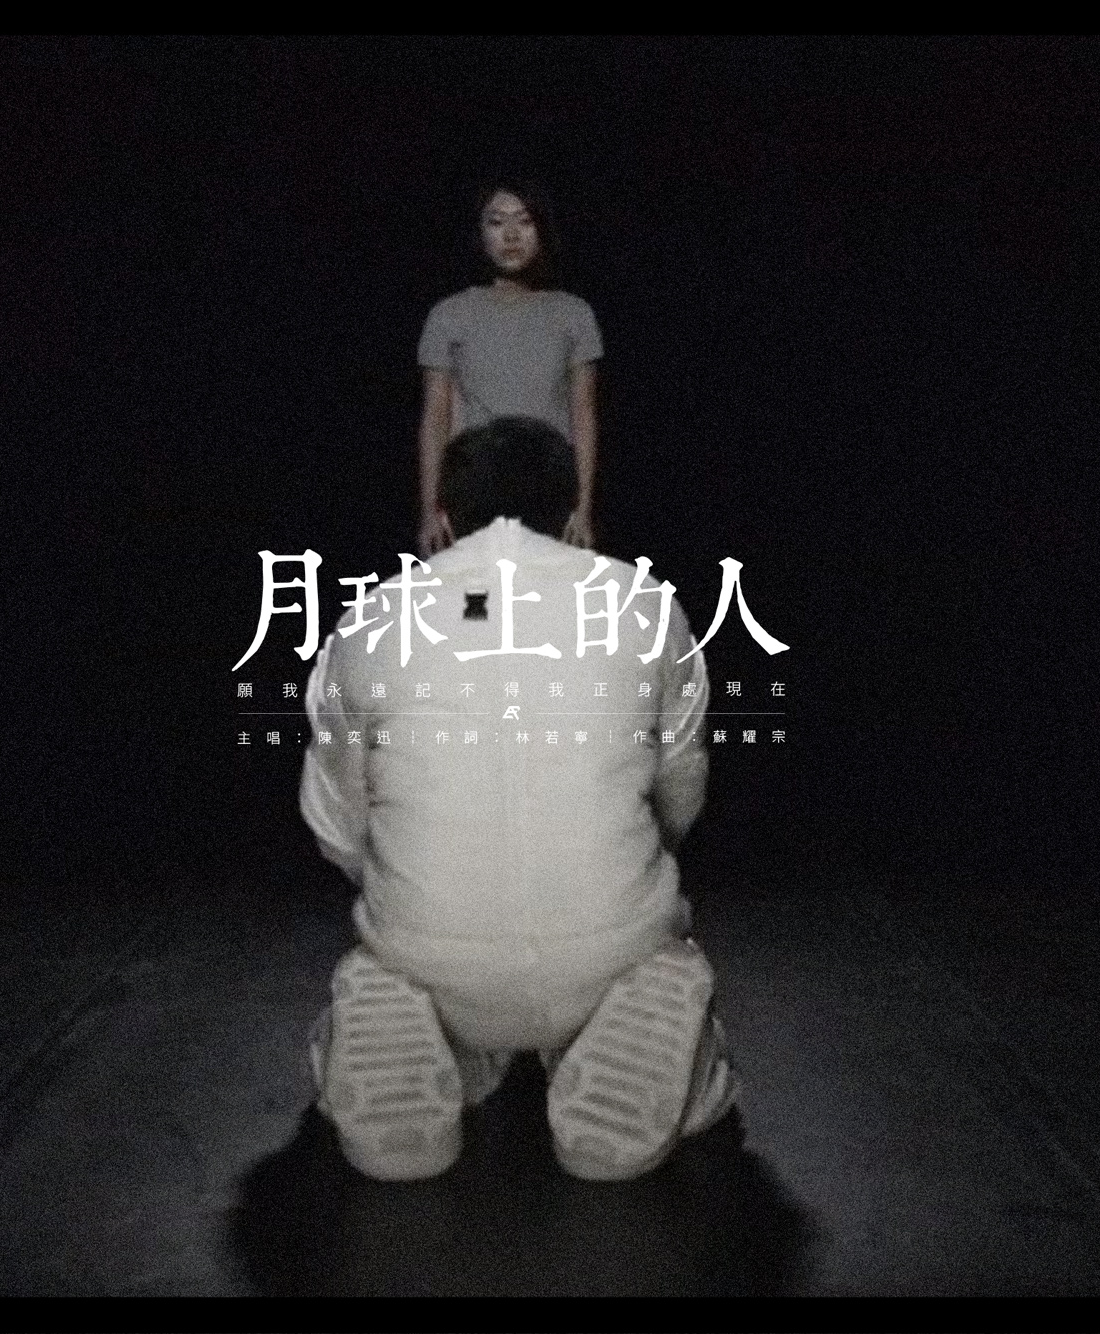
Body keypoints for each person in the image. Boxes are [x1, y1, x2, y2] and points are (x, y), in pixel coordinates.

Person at [301, 416, 737, 1182]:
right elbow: (681, 788)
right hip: (611, 946)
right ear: (571, 516)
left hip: (425, 949)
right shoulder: (643, 604)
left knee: (413, 957)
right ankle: (638, 1038)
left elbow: (335, 818)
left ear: (443, 517)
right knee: (647, 960)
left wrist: (397, 881)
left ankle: (440, 1029)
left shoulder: (370, 617)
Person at [416, 183, 602, 558]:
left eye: (524, 221)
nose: (512, 235)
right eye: (497, 222)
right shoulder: (449, 314)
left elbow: (583, 415)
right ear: (480, 233)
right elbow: (436, 418)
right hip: (474, 483)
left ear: (541, 230)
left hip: (547, 483)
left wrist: (583, 509)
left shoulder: (573, 313)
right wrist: (430, 511)